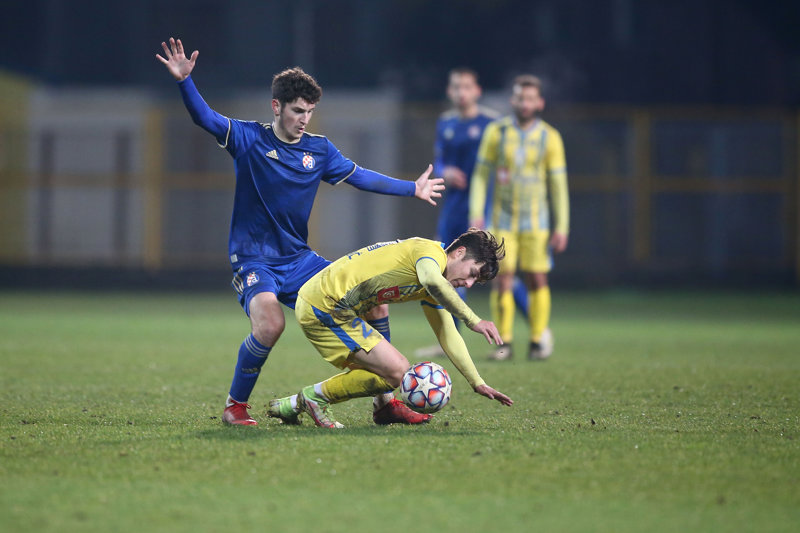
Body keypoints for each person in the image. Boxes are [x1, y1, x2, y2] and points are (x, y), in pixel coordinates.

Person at [156, 37, 445, 426]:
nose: (304, 118)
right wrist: (184, 82)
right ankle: (234, 406)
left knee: (375, 301)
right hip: (254, 260)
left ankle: (385, 403)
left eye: (309, 111)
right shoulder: (249, 138)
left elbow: (360, 176)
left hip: (299, 260)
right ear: (276, 106)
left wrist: (412, 188)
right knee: (271, 324)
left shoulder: (319, 150)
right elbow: (204, 118)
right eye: (297, 110)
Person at [267, 228, 513, 428]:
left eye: (475, 281)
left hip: (335, 305)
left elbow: (447, 333)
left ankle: (382, 405)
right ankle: (314, 398)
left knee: (379, 311)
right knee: (396, 372)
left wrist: (477, 382)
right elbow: (431, 280)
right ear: (459, 252)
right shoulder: (430, 255)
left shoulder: (435, 278)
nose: (468, 284)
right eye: (472, 273)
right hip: (325, 305)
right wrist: (473, 319)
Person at [415, 68, 528, 359]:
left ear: (477, 91)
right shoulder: (446, 122)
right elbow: (440, 161)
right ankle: (451, 340)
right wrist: (446, 172)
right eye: (456, 87)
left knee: (502, 274)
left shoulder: (492, 123)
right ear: (449, 91)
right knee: (447, 270)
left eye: (466, 87)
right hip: (453, 209)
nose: (461, 92)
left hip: (484, 210)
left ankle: (538, 331)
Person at [469, 74, 569, 361]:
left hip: (537, 223)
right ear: (512, 100)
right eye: (520, 98)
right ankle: (505, 343)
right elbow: (480, 175)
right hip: (503, 221)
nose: (524, 103)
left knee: (537, 278)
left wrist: (562, 226)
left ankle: (537, 340)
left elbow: (558, 185)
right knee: (503, 279)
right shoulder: (497, 133)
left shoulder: (550, 137)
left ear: (540, 103)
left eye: (530, 99)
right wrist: (477, 212)